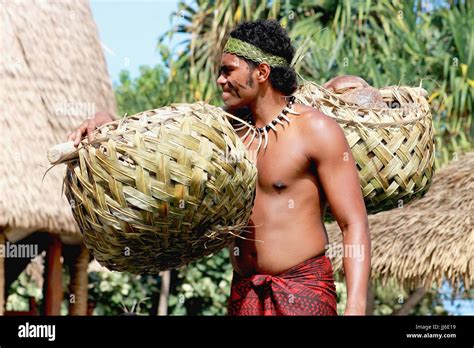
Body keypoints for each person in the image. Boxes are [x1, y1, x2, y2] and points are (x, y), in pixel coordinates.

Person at [68, 19, 371, 316]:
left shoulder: (316, 130)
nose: (220, 80)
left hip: (303, 291)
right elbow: (150, 137)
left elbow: (353, 223)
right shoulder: (221, 131)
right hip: (244, 292)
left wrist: (355, 306)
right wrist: (104, 120)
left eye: (228, 71)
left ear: (262, 72)